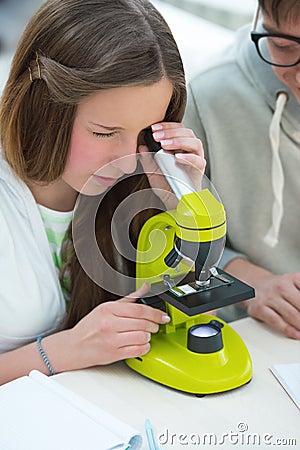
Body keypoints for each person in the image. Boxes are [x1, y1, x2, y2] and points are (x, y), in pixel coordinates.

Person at [0, 0, 206, 385]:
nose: (127, 160)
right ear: (42, 106)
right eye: (105, 132)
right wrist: (63, 350)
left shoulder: (141, 175)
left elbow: (173, 317)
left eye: (146, 131)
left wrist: (182, 207)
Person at [184, 0, 300, 339]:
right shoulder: (208, 95)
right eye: (282, 46)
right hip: (255, 334)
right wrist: (255, 282)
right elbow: (169, 235)